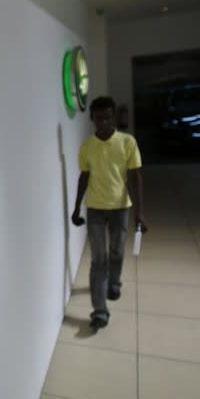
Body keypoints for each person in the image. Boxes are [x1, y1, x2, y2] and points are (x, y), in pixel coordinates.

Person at [71, 96, 147, 329]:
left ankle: (114, 281)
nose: (103, 122)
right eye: (99, 118)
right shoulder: (87, 146)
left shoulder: (127, 142)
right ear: (92, 119)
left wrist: (139, 213)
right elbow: (84, 177)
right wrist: (76, 208)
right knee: (98, 259)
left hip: (120, 207)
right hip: (95, 208)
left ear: (113, 117)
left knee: (116, 250)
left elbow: (135, 178)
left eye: (107, 117)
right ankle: (100, 310)